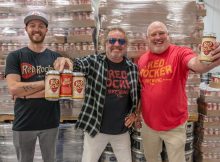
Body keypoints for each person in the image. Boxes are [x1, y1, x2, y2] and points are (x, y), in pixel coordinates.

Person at [137, 21, 220, 162]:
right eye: (153, 34)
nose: (158, 37)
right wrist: (137, 114)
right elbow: (142, 90)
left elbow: (196, 64)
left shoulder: (180, 53)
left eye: (161, 33)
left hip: (174, 125)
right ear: (147, 38)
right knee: (151, 158)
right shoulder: (142, 60)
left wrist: (207, 60)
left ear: (168, 35)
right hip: (149, 125)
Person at [54, 27, 140, 162]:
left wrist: (135, 112)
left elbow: (137, 94)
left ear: (126, 45)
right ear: (105, 44)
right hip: (96, 129)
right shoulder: (94, 62)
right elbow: (77, 64)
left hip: (122, 131)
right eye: (112, 40)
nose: (116, 44)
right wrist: (65, 61)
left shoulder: (133, 68)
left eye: (121, 41)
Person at [5, 11, 61, 162]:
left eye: (41, 26)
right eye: (32, 25)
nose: (36, 29)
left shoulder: (56, 58)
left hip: (50, 122)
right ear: (26, 29)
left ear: (46, 30)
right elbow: (13, 88)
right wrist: (48, 83)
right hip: (24, 122)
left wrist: (25, 93)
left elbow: (60, 90)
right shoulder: (15, 56)